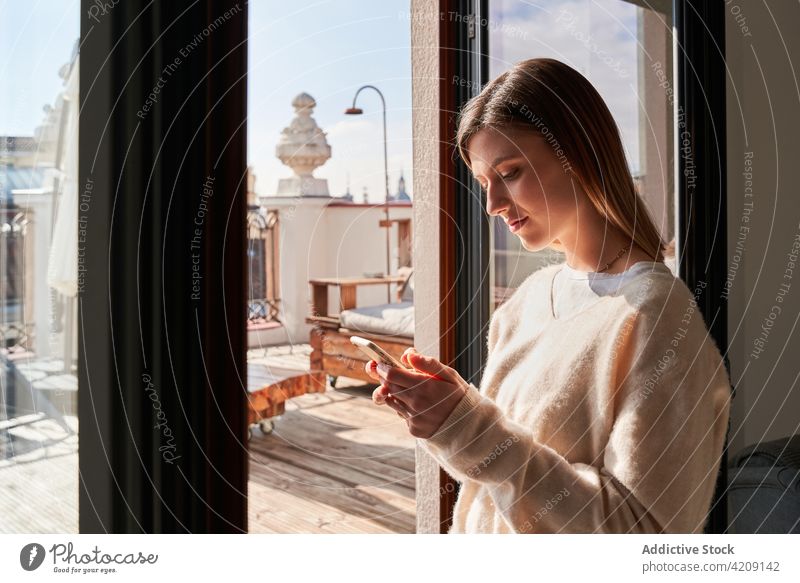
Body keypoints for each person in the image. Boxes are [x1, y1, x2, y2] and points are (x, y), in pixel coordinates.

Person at [364, 58, 732, 534]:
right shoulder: (526, 304)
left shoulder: (656, 317)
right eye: (484, 184)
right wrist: (452, 414)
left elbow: (643, 536)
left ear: (580, 154)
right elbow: (493, 487)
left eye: (511, 172)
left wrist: (469, 429)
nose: (493, 204)